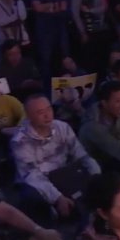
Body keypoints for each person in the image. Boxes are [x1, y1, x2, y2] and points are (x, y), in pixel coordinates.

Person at [11, 94, 101, 224]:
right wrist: (57, 197)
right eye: (41, 112)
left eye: (49, 109)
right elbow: (32, 175)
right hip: (38, 181)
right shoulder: (20, 141)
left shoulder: (62, 127)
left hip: (63, 174)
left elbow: (81, 154)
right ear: (28, 116)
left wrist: (96, 176)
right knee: (30, 197)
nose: (47, 115)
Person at [78, 81, 120, 172]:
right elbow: (118, 152)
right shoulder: (92, 126)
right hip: (96, 169)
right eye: (117, 101)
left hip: (116, 162)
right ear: (104, 103)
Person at [31, 0, 69, 80]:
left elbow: (63, 6)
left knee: (64, 55)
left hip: (59, 26)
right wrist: (52, 6)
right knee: (45, 59)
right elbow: (37, 7)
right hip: (44, 29)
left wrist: (48, 7)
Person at [71, 0, 107, 75]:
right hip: (85, 29)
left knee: (100, 58)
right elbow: (76, 16)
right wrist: (82, 33)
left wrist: (91, 11)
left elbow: (103, 7)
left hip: (98, 29)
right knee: (88, 59)